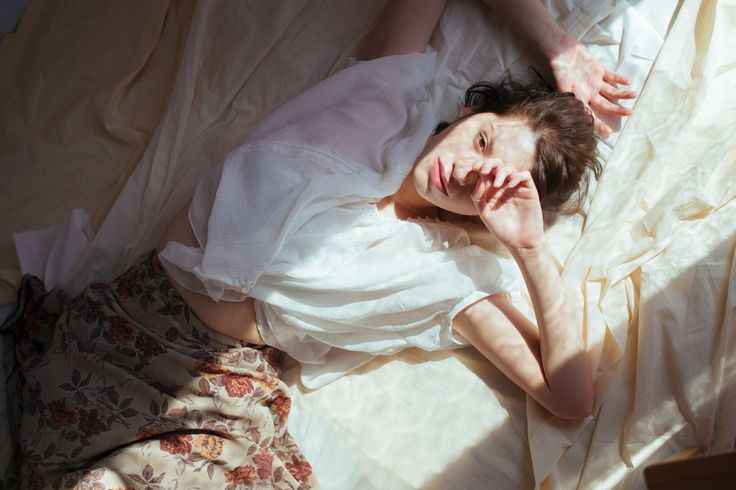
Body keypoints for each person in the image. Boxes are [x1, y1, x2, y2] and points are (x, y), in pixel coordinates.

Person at [2, 1, 636, 488]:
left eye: (489, 185)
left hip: (208, 393)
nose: (469, 171)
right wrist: (558, 45)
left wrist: (530, 251)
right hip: (122, 325)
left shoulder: (451, 279)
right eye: (484, 141)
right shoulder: (385, 101)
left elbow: (571, 398)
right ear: (471, 113)